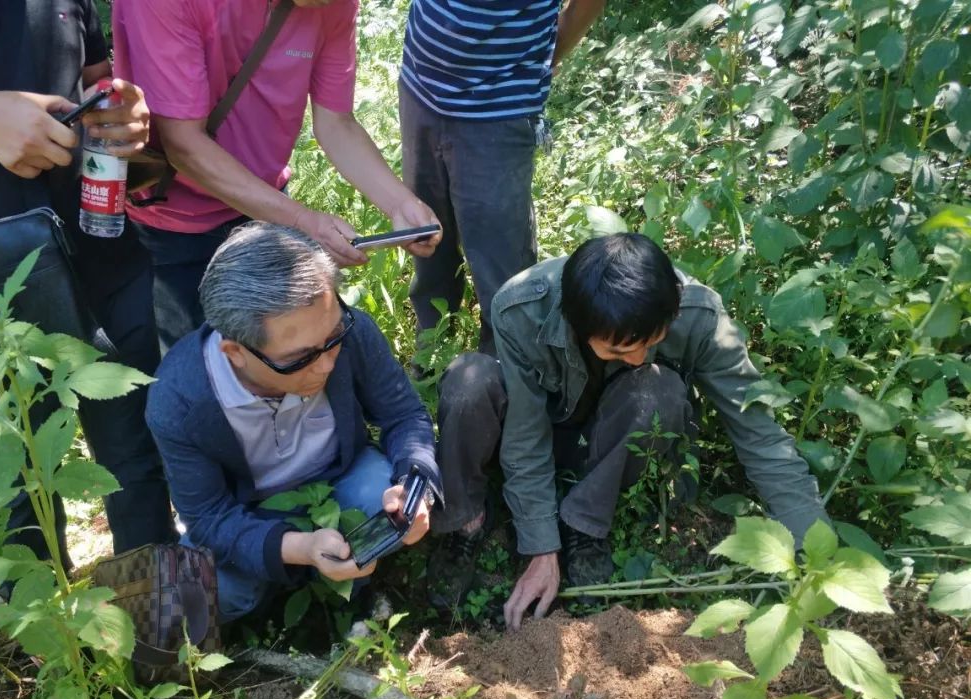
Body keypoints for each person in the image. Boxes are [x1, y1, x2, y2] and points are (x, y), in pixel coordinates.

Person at [0, 0, 177, 562]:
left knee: (134, 447)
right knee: (16, 468)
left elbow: (93, 79)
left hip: (98, 234)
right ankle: (47, 638)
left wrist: (122, 108)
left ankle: (159, 622)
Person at [429, 233, 831, 629]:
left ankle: (583, 524)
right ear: (576, 324)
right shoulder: (521, 310)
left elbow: (758, 432)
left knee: (660, 390)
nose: (638, 357)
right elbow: (525, 433)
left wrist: (816, 550)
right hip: (553, 427)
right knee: (470, 380)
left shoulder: (699, 316)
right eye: (619, 351)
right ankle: (468, 521)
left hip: (623, 435)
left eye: (650, 343)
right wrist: (540, 548)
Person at [146, 222, 440, 622]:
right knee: (212, 596)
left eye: (333, 338)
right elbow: (209, 516)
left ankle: (355, 591)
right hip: (248, 511)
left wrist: (414, 485)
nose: (327, 363)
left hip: (341, 478)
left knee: (378, 495)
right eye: (300, 358)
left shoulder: (350, 334)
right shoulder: (179, 399)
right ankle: (277, 601)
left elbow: (403, 415)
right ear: (235, 352)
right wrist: (302, 549)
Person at [112, 0, 443, 353]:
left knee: (281, 361)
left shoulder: (334, 5)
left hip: (264, 212)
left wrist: (401, 203)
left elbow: (336, 124)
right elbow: (184, 144)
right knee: (189, 377)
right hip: (169, 226)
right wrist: (303, 221)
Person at [400, 0, 606, 354]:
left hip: (499, 110)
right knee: (427, 241)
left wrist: (539, 62)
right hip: (420, 88)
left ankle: (507, 380)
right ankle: (432, 365)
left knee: (504, 275)